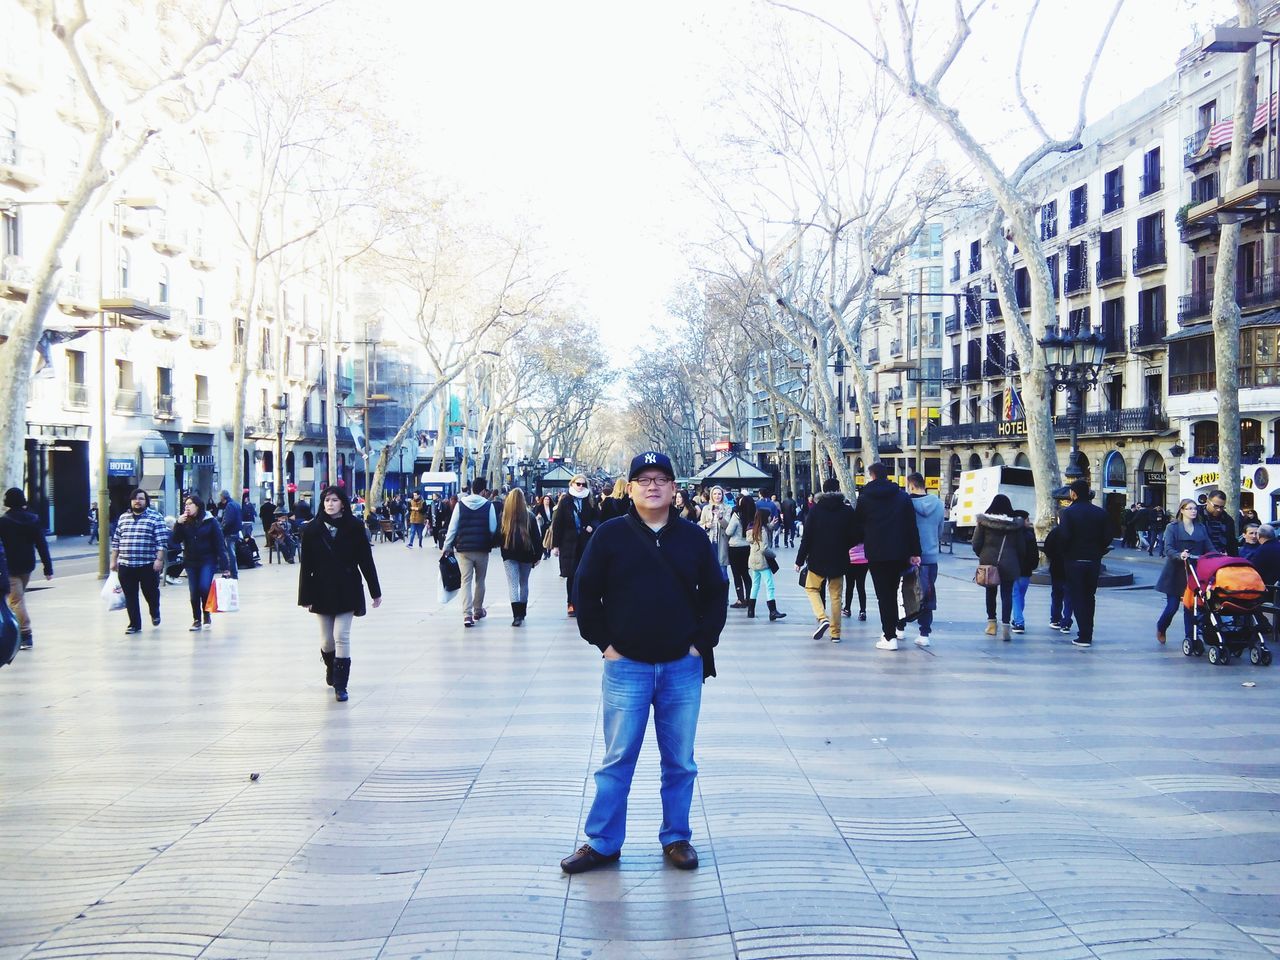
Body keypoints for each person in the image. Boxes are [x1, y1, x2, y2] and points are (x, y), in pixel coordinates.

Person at [561, 450, 727, 875]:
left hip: (681, 667)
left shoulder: (692, 537)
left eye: (661, 479)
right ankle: (602, 842)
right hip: (626, 666)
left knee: (680, 761)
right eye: (643, 479)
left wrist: (700, 644)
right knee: (617, 760)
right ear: (630, 488)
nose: (652, 485)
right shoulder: (610, 535)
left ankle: (676, 837)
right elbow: (585, 589)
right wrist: (605, 644)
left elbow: (715, 592)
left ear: (674, 488)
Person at [297, 485, 382, 702]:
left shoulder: (354, 527)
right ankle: (331, 668)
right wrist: (305, 596)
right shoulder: (311, 529)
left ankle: (341, 685)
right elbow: (306, 566)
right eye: (326, 500)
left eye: (334, 500)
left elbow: (366, 560)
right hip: (321, 590)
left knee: (341, 635)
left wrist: (375, 591)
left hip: (348, 587)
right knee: (327, 641)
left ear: (342, 503)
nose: (330, 504)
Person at [852, 463, 921, 652]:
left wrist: (857, 541)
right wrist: (915, 552)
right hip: (899, 552)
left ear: (872, 476)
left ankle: (889, 635)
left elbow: (857, 527)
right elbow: (911, 527)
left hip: (877, 553)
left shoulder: (865, 498)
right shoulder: (902, 497)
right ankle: (893, 631)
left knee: (884, 595)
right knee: (893, 591)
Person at [795, 476, 858, 643]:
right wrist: (845, 545)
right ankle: (835, 634)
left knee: (811, 588)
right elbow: (857, 535)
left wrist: (799, 560)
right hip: (839, 558)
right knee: (836, 596)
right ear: (838, 490)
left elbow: (806, 537)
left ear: (823, 491)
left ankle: (822, 617)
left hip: (817, 558)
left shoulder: (816, 510)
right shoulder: (847, 510)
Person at [1056, 479, 1111, 648]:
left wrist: (1065, 553)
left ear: (1074, 493)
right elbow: (1108, 537)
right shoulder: (1100, 512)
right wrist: (1098, 551)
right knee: (1089, 597)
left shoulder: (1068, 513)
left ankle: (1083, 635)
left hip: (1074, 560)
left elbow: (1064, 536)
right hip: (1093, 560)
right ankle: (1089, 632)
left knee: (1077, 596)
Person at [442, 476, 500, 628]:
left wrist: (447, 546)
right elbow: (493, 528)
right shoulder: (488, 506)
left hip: (464, 549)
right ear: (482, 491)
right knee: (480, 581)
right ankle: (478, 610)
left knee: (465, 581)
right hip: (482, 549)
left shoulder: (460, 505)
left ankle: (467, 615)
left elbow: (452, 528)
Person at [0, 488, 53, 650]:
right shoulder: (33, 519)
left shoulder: (3, 521)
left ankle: (25, 633)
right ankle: (17, 631)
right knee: (18, 599)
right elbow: (41, 544)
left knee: (16, 600)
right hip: (27, 565)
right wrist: (47, 567)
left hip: (10, 566)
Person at [1154, 498, 1212, 646]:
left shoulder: (1201, 527)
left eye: (1194, 508)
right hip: (1175, 570)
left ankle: (1190, 637)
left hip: (1195, 571)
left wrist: (1217, 557)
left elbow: (1209, 547)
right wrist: (1180, 555)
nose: (1193, 511)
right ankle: (1161, 627)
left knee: (1190, 606)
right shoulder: (1172, 527)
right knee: (1172, 607)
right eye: (1189, 508)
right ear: (1182, 510)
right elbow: (1168, 548)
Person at [110, 489, 167, 635]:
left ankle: (154, 611)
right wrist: (113, 560)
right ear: (130, 501)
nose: (137, 501)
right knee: (130, 595)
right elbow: (116, 541)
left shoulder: (155, 517)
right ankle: (134, 624)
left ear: (146, 501)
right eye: (134, 499)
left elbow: (161, 542)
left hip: (147, 564)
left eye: (141, 499)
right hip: (126, 564)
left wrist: (159, 560)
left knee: (150, 592)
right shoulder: (123, 518)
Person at [170, 496, 231, 631]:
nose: (187, 507)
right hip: (191, 561)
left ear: (198, 506)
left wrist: (225, 567)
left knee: (204, 587)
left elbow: (220, 544)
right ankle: (196, 619)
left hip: (207, 560)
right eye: (185, 504)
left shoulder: (210, 521)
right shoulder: (184, 522)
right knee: (194, 592)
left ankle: (206, 614)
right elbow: (175, 540)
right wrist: (177, 524)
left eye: (190, 504)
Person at [971, 495, 1027, 642]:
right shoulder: (1016, 525)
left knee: (990, 593)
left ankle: (991, 625)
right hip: (1010, 563)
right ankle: (1006, 627)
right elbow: (1021, 548)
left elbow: (976, 543)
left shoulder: (983, 523)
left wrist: (982, 555)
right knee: (1007, 595)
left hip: (989, 562)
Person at [552, 475, 601, 617]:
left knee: (585, 573)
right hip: (569, 543)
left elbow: (597, 517)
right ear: (572, 484)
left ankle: (583, 602)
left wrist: (592, 526)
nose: (580, 487)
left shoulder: (590, 499)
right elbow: (558, 524)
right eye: (578, 484)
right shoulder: (565, 500)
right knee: (571, 575)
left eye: (583, 484)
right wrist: (555, 545)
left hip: (585, 542)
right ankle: (571, 603)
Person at [904, 473, 944, 646]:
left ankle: (899, 628)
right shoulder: (939, 504)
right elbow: (940, 530)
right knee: (927, 595)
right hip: (930, 557)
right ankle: (924, 633)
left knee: (904, 593)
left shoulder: (906, 504)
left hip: (909, 557)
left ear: (911, 486)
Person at [500, 488, 542, 626]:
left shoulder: (504, 517)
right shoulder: (529, 516)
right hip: (526, 554)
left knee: (512, 584)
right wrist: (538, 556)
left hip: (509, 554)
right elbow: (537, 538)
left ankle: (516, 615)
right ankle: (522, 612)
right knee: (524, 583)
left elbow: (498, 537)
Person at [746, 507, 785, 621]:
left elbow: (762, 534)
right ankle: (773, 611)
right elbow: (764, 548)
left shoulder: (752, 528)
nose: (769, 517)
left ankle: (751, 610)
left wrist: (771, 525)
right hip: (763, 561)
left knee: (755, 585)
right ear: (764, 517)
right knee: (770, 586)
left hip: (753, 560)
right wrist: (773, 555)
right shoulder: (762, 530)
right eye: (768, 516)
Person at [1009, 509, 1039, 634]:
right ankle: (1017, 619)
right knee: (1020, 596)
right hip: (1026, 571)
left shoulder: (1010, 534)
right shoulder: (1030, 535)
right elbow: (1034, 554)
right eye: (1027, 519)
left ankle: (1019, 621)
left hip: (1013, 570)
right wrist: (1033, 566)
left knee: (1015, 595)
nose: (1029, 522)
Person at [1043, 516, 1073, 635]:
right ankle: (1066, 622)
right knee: (1069, 596)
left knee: (1056, 594)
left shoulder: (1055, 532)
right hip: (1071, 568)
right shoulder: (1074, 532)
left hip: (1056, 567)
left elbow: (1047, 548)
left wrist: (1053, 557)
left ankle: (1055, 619)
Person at [724, 495, 755, 609]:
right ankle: (749, 598)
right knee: (746, 574)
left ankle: (740, 599)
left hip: (735, 547)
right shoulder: (753, 516)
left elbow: (728, 531)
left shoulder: (736, 516)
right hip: (747, 547)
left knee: (737, 575)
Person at [699, 485, 732, 588]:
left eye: (719, 494)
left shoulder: (727, 508)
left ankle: (724, 598)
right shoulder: (706, 508)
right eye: (715, 494)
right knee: (708, 572)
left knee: (723, 572)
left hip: (722, 542)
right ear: (711, 495)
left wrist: (720, 517)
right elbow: (700, 524)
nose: (717, 496)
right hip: (709, 541)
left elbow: (727, 526)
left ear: (722, 495)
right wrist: (706, 525)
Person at [1201, 490, 1239, 557]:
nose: (1218, 510)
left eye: (1222, 507)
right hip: (1201, 556)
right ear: (1207, 502)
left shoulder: (1228, 520)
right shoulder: (1197, 516)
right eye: (1216, 506)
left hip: (1221, 557)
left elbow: (1232, 543)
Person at [218, 490, 243, 579]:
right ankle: (232, 572)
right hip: (235, 532)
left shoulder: (229, 506)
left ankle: (233, 573)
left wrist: (221, 530)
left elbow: (227, 521)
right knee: (232, 553)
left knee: (230, 554)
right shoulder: (235, 504)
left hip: (230, 533)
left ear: (222, 497)